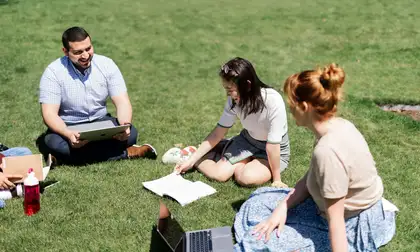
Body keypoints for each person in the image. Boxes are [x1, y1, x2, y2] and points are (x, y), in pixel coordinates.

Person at [233, 64, 397, 251]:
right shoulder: (336, 126)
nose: (289, 107)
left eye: (291, 102)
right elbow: (311, 177)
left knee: (258, 241)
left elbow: (336, 222)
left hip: (353, 225)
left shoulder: (328, 151)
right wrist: (282, 208)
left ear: (304, 107)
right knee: (257, 203)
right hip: (333, 211)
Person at [38, 26, 157, 165]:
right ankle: (127, 152)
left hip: (101, 122)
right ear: (65, 51)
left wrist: (125, 126)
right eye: (78, 52)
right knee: (55, 142)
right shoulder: (53, 72)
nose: (85, 55)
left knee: (131, 134)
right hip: (69, 125)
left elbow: (122, 102)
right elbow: (49, 114)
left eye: (88, 49)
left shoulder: (106, 64)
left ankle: (65, 158)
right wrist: (67, 133)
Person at [175, 57, 290, 187]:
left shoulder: (272, 100)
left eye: (230, 89)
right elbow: (218, 133)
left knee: (247, 179)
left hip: (273, 149)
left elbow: (273, 144)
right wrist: (191, 160)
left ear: (247, 85)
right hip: (247, 142)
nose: (228, 95)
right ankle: (198, 153)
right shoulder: (233, 101)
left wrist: (277, 180)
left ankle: (228, 153)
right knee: (219, 175)